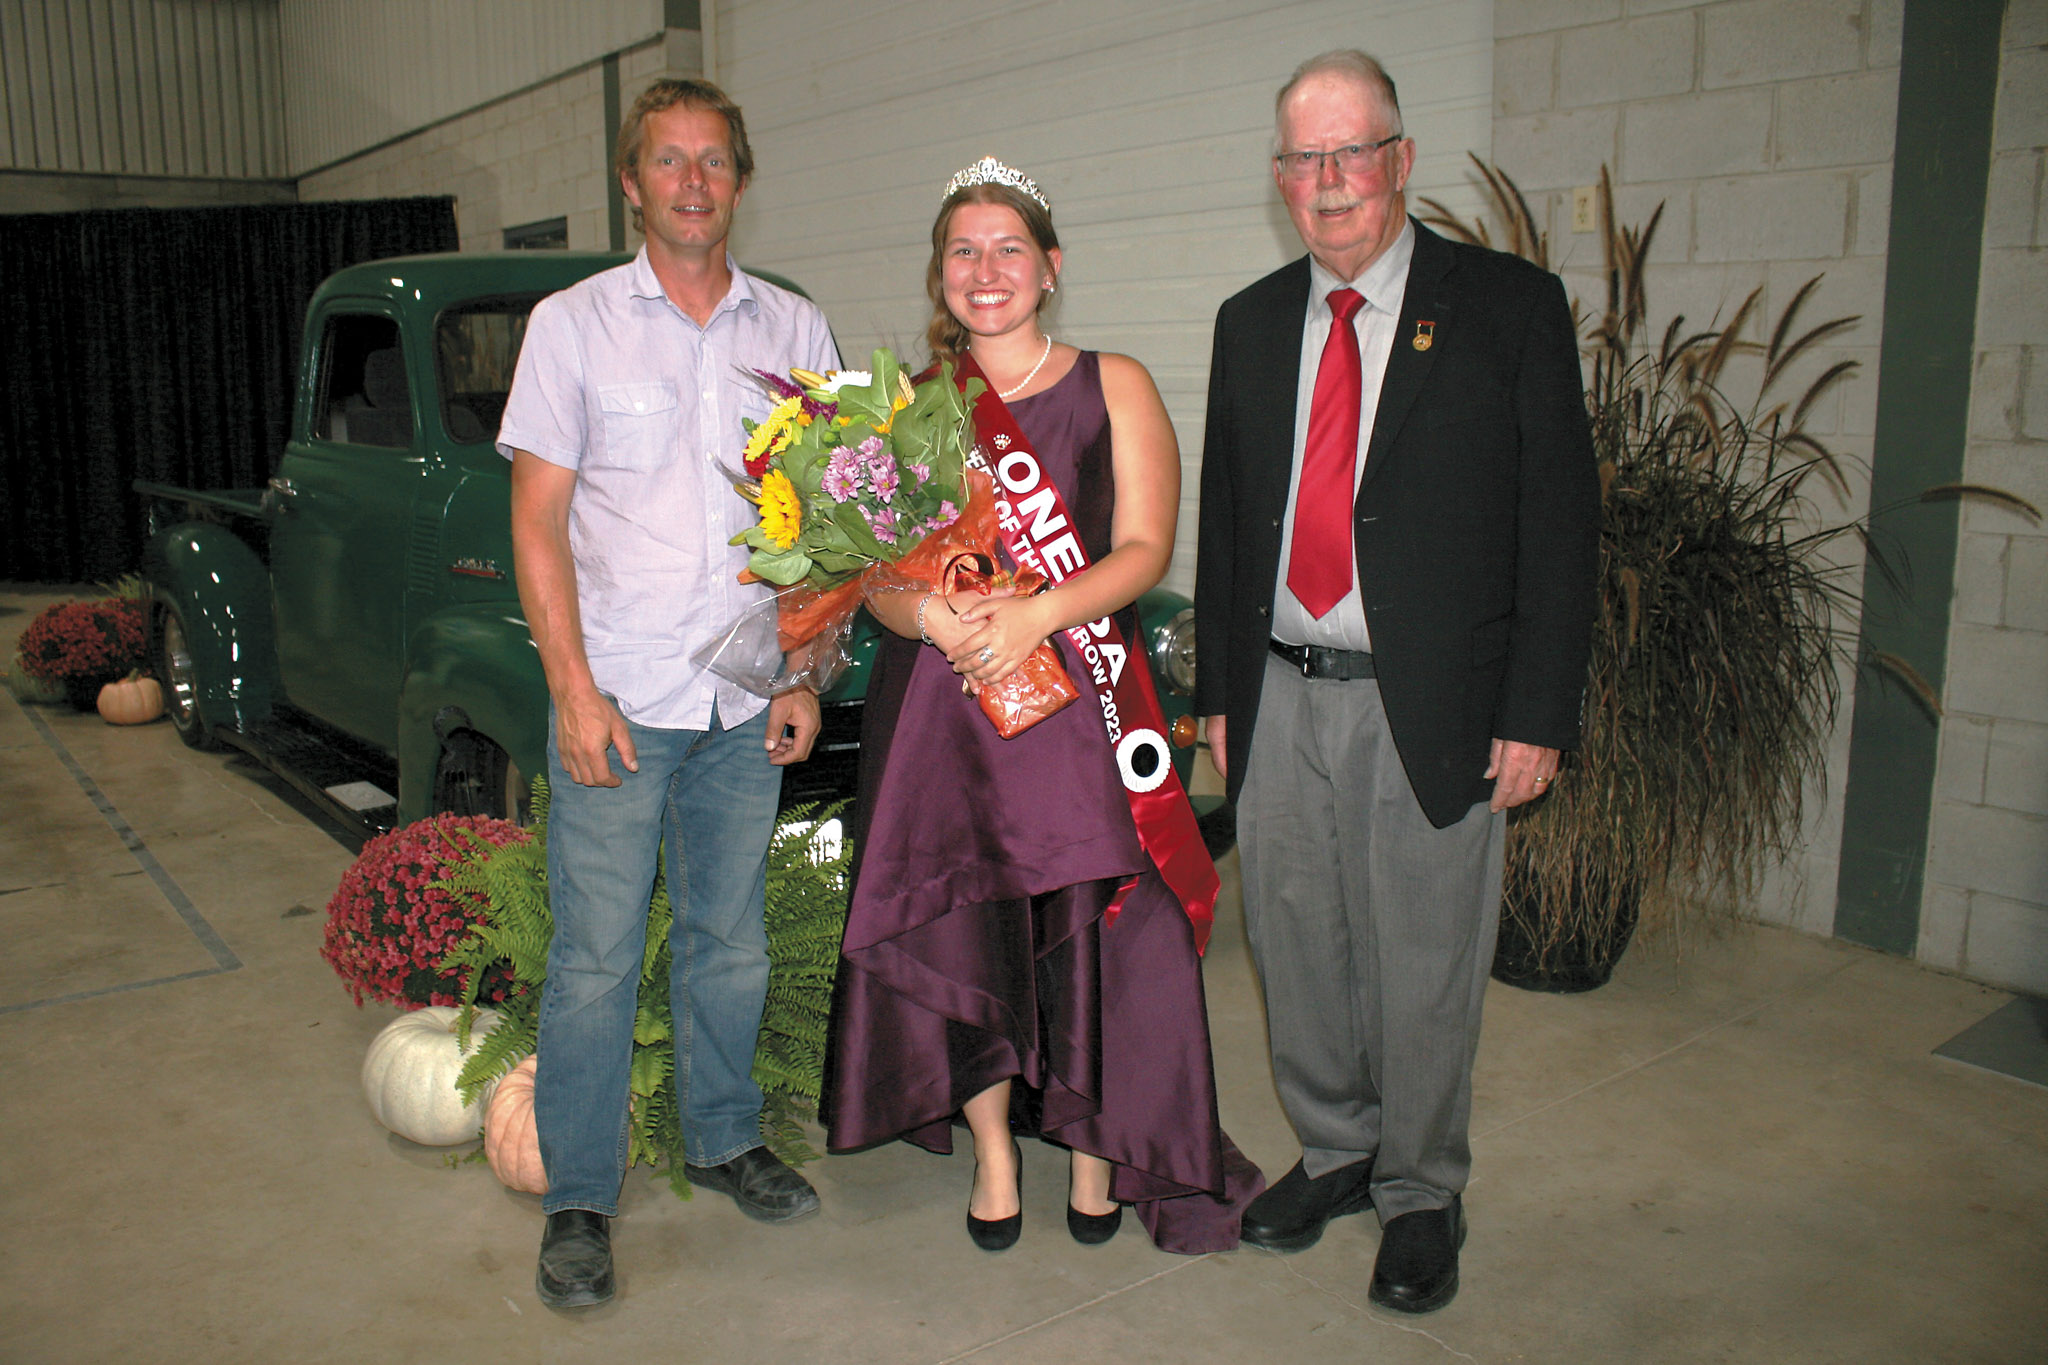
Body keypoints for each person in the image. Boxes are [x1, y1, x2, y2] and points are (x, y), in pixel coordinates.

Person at [1194, 51, 1599, 1313]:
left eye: (1349, 153)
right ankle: (1336, 1152)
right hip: (1276, 693)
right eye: (1302, 161)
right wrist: (1216, 692)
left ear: (1399, 160)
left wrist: (1534, 714)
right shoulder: (1249, 322)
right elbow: (1226, 525)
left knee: (1423, 958)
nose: (1326, 183)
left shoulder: (1508, 308)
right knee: (1298, 945)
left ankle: (1420, 1191)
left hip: (1429, 702)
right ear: (1277, 179)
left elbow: (1561, 525)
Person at [825, 157, 1263, 1254]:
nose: (985, 271)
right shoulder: (914, 407)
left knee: (1102, 930)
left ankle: (1095, 1155)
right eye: (962, 251)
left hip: (1080, 713)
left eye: (1007, 248)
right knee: (966, 926)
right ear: (939, 273)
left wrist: (1035, 614)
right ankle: (990, 1156)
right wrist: (922, 617)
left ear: (1050, 267)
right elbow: (868, 573)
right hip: (939, 718)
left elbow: (1146, 549)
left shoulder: (1112, 383)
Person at [499, 77, 841, 1311]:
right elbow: (536, 522)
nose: (691, 181)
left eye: (713, 160)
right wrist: (572, 689)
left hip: (747, 697)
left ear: (739, 180)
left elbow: (832, 527)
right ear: (630, 183)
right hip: (622, 698)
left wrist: (806, 673)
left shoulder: (797, 332)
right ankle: (579, 1199)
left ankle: (724, 1135)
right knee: (592, 960)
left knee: (729, 942)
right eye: (667, 161)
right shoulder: (572, 326)